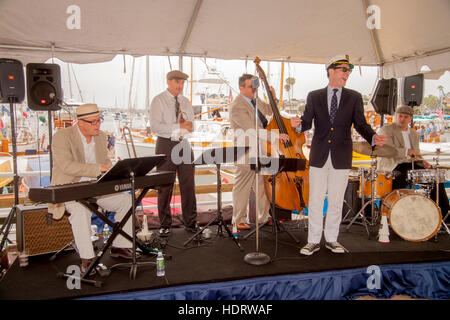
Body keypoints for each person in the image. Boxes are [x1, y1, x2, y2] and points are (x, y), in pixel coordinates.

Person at [298, 55, 386, 255]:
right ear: (331, 70)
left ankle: (331, 239)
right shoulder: (314, 96)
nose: (347, 74)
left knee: (336, 200)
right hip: (319, 155)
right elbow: (306, 122)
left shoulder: (354, 97)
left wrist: (373, 138)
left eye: (349, 71)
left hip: (341, 156)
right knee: (315, 200)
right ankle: (312, 241)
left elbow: (361, 124)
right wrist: (297, 126)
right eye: (344, 70)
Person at [49, 104, 135, 275]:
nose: (97, 125)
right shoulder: (61, 137)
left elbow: (104, 163)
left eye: (99, 121)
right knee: (81, 209)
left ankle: (120, 246)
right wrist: (99, 168)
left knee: (126, 200)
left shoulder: (101, 137)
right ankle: (87, 258)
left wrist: (114, 168)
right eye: (93, 122)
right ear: (79, 122)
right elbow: (67, 166)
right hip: (69, 188)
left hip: (96, 187)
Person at [230, 73, 301, 230]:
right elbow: (252, 129)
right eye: (250, 86)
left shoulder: (255, 101)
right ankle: (238, 220)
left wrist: (273, 98)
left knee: (262, 186)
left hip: (260, 151)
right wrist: (276, 135)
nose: (254, 89)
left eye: (255, 86)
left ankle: (263, 217)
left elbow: (270, 111)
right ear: (241, 88)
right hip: (245, 152)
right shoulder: (237, 106)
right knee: (242, 187)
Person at [148, 70, 198, 237]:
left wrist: (186, 127)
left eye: (183, 83)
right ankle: (164, 224)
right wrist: (179, 127)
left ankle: (191, 222)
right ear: (168, 82)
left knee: (188, 185)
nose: (180, 86)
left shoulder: (185, 101)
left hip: (183, 144)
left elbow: (191, 125)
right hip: (165, 145)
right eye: (178, 82)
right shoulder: (158, 100)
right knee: (164, 187)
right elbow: (155, 127)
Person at [377, 105, 449, 218]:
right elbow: (388, 150)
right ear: (396, 116)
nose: (402, 119)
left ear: (410, 118)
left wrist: (423, 162)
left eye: (405, 117)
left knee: (435, 177)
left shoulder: (414, 133)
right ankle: (393, 213)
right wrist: (407, 151)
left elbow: (416, 154)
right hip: (393, 165)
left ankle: (443, 214)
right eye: (400, 116)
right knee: (400, 177)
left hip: (411, 165)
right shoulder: (386, 129)